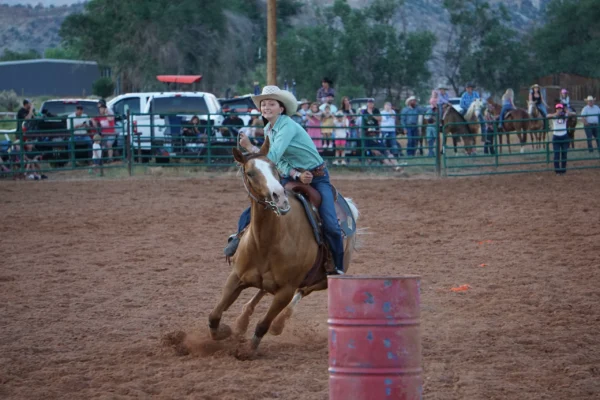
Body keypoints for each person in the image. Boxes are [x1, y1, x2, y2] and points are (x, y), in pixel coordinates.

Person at [225, 85, 346, 275]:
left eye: (271, 104)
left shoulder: (287, 126)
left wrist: (249, 148)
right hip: (294, 175)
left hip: (318, 177)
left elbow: (271, 158)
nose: (266, 108)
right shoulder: (269, 129)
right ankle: (239, 239)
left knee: (330, 223)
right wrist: (297, 175)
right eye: (263, 104)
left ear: (281, 108)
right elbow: (277, 163)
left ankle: (338, 266)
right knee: (257, 207)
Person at [547, 103, 576, 175]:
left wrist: (568, 112)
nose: (559, 110)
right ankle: (557, 171)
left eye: (560, 108)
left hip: (564, 136)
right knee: (556, 155)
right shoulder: (554, 116)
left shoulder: (565, 115)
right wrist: (555, 114)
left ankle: (563, 170)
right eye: (558, 109)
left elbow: (574, 114)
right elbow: (547, 116)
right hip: (556, 137)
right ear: (556, 109)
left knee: (564, 154)